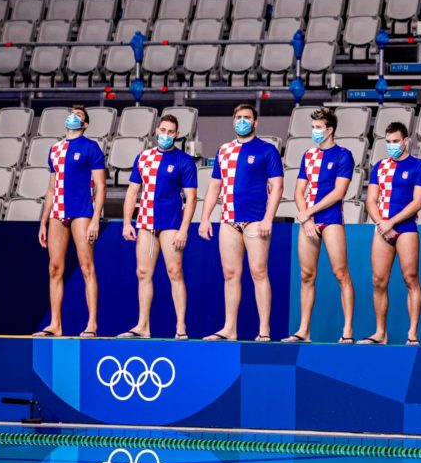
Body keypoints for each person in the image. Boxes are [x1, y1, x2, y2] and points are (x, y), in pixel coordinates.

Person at [198, 104, 283, 341]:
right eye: (238, 117)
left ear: (255, 123)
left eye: (247, 117)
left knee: (258, 272)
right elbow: (214, 186)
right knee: (230, 274)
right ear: (233, 121)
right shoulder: (223, 150)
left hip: (256, 220)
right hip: (228, 220)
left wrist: (268, 217)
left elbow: (277, 186)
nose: (242, 121)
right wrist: (205, 219)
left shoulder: (267, 150)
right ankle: (229, 329)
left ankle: (264, 330)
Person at [119, 115, 198, 339]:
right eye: (163, 130)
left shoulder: (184, 161)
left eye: (170, 131)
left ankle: (181, 328)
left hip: (172, 223)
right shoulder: (143, 158)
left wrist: (184, 229)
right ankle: (143, 326)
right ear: (156, 131)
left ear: (177, 134)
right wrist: (127, 222)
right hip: (145, 223)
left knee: (175, 272)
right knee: (143, 273)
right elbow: (133, 192)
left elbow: (191, 199)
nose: (166, 134)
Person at [285, 107, 356, 344]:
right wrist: (306, 219)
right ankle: (303, 330)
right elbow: (298, 191)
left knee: (340, 273)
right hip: (309, 221)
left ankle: (347, 330)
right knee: (306, 275)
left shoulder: (343, 155)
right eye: (313, 127)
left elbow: (339, 192)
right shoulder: (309, 155)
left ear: (330, 130)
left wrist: (309, 214)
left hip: (332, 219)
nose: (314, 131)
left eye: (318, 127)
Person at [34, 105, 106, 337]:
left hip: (82, 212)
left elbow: (102, 185)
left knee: (87, 267)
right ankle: (55, 324)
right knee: (55, 268)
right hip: (58, 212)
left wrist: (95, 219)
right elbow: (52, 188)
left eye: (79, 116)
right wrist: (43, 221)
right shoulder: (55, 149)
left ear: (85, 125)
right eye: (72, 113)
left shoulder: (91, 148)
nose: (73, 117)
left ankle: (92, 324)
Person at [361, 121, 421, 345]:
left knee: (410, 279)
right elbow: (371, 199)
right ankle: (380, 333)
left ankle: (412, 334)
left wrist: (391, 222)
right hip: (382, 228)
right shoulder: (380, 166)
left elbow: (418, 202)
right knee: (379, 280)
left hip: (406, 228)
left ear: (406, 141)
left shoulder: (419, 166)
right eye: (388, 142)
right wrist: (382, 223)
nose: (391, 146)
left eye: (395, 142)